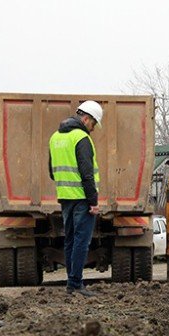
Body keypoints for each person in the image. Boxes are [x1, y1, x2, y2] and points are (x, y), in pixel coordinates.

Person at [49, 100, 103, 297]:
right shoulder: (82, 138)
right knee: (82, 241)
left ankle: (72, 283)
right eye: (94, 124)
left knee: (70, 240)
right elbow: (87, 175)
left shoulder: (55, 137)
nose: (93, 128)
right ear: (86, 118)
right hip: (82, 198)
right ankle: (75, 284)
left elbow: (52, 172)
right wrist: (94, 202)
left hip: (64, 197)